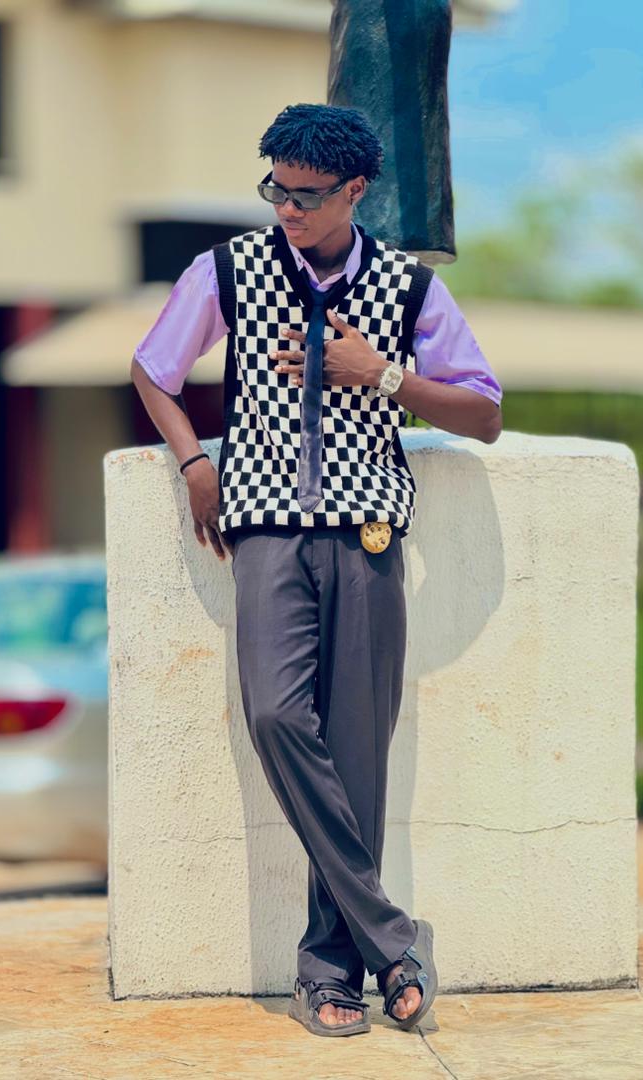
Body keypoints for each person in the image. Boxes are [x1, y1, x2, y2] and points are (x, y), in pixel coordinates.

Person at [131, 103, 503, 1037]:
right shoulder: (226, 270)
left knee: (358, 755)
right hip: (264, 528)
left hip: (369, 536)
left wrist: (383, 376)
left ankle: (329, 974)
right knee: (275, 716)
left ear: (354, 191)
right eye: (276, 189)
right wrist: (195, 462)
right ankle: (394, 938)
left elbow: (485, 414)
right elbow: (153, 370)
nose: (286, 209)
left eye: (305, 195)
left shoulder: (410, 289)